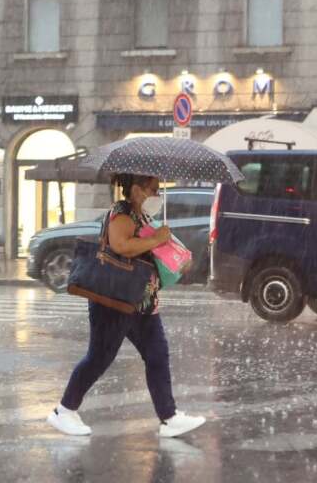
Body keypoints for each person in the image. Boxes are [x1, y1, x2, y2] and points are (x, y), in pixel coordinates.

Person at [47, 173, 207, 439]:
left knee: (157, 354)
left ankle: (169, 418)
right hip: (116, 301)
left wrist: (173, 253)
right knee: (99, 358)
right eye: (153, 189)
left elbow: (148, 251)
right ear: (136, 188)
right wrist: (156, 239)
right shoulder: (121, 212)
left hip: (140, 301)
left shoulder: (140, 214)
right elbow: (122, 246)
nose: (157, 195)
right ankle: (64, 411)